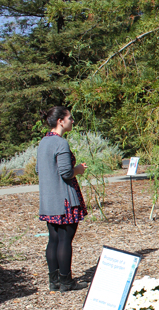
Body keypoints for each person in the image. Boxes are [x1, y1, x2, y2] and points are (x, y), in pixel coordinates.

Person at [36, 106, 88, 292]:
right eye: (70, 118)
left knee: (54, 239)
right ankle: (66, 281)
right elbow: (66, 172)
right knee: (65, 241)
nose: (72, 121)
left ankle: (54, 280)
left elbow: (39, 169)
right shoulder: (60, 143)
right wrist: (79, 170)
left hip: (49, 201)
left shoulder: (43, 142)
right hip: (64, 200)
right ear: (61, 121)